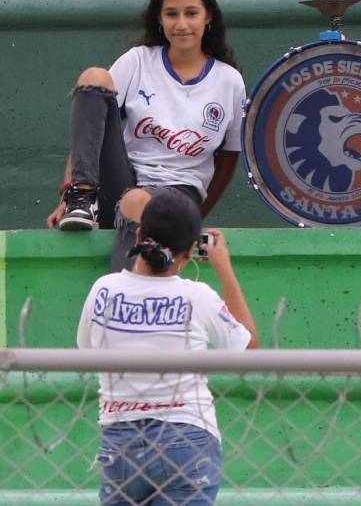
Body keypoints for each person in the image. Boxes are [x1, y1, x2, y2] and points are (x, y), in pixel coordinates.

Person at [47, 0, 245, 273]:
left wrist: (196, 216)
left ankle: (122, 301)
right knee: (94, 77)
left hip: (178, 194)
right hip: (122, 182)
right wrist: (66, 193)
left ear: (208, 18)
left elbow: (229, 158)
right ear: (159, 19)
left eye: (191, 13)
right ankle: (82, 200)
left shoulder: (229, 80)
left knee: (138, 200)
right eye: (171, 14)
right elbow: (91, 135)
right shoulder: (138, 60)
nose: (181, 24)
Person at [77, 189, 260, 504]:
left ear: (138, 235)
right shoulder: (198, 297)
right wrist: (223, 267)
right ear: (190, 252)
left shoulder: (103, 290)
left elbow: (86, 349)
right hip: (187, 440)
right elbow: (249, 348)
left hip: (121, 444)